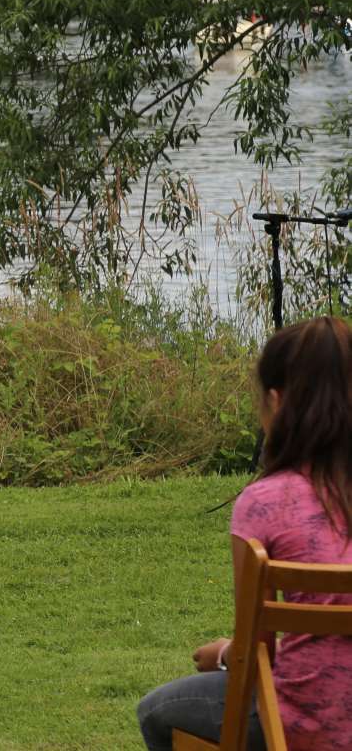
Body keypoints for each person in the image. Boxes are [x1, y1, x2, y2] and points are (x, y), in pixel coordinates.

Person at [137, 315, 352, 750]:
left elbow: (256, 652)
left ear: (276, 401)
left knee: (156, 712)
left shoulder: (265, 502)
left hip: (300, 726)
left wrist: (220, 654)